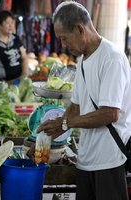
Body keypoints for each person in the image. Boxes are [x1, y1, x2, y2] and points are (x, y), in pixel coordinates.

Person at [36, 2, 131, 200]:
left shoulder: (111, 58)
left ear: (80, 29)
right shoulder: (83, 60)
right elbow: (76, 106)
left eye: (64, 38)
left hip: (109, 160)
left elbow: (109, 113)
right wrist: (53, 131)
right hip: (86, 159)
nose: (63, 45)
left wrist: (66, 123)